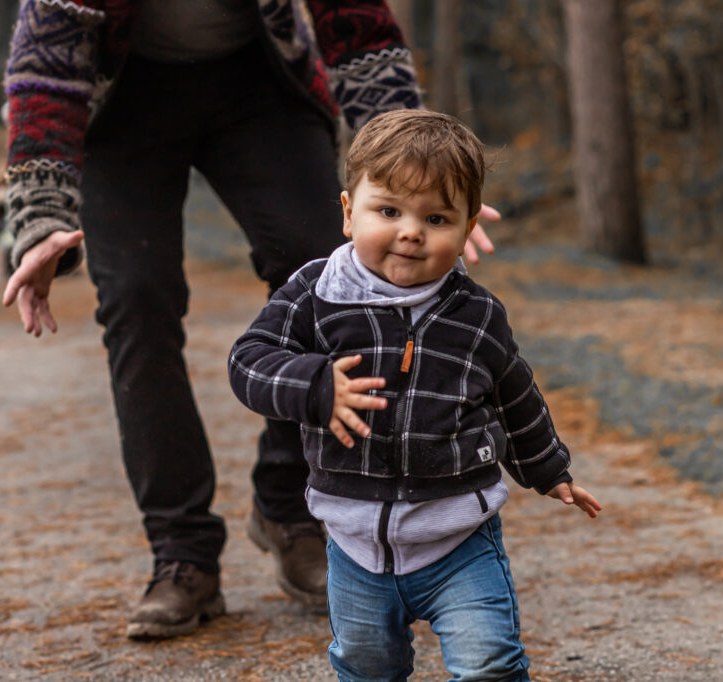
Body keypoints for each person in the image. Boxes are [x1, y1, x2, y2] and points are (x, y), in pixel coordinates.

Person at [0, 0, 498, 640]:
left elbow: (358, 27)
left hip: (258, 82)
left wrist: (424, 179)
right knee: (137, 298)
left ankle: (290, 505)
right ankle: (183, 553)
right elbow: (45, 65)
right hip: (122, 97)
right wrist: (41, 219)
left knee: (332, 273)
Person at [228, 109, 601, 681]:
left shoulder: (475, 316)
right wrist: (315, 385)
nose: (411, 231)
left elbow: (514, 394)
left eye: (436, 217)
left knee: (490, 664)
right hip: (353, 543)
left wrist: (548, 467)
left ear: (468, 225)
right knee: (366, 667)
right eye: (388, 211)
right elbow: (247, 362)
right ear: (350, 213)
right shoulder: (314, 295)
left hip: (458, 536)